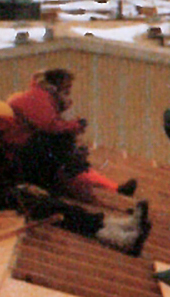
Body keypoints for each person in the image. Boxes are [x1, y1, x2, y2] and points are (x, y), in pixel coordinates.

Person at [0, 100, 150, 255]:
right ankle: (117, 236)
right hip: (5, 199)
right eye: (7, 124)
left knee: (62, 207)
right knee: (58, 210)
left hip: (10, 193)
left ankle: (117, 227)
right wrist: (22, 188)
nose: (11, 129)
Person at [7, 68, 135, 202]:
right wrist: (74, 126)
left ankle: (113, 187)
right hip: (21, 153)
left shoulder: (41, 96)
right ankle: (108, 187)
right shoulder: (39, 97)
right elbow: (50, 126)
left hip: (24, 149)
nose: (69, 91)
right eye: (66, 87)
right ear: (57, 85)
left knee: (70, 155)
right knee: (67, 150)